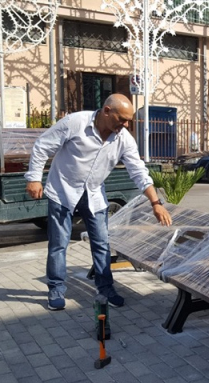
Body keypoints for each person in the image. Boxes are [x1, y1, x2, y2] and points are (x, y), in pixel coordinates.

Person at [25, 94, 172, 311]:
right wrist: (34, 178)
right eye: (122, 119)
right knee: (58, 244)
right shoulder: (75, 123)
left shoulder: (124, 139)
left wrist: (155, 203)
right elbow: (42, 146)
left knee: (102, 244)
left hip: (94, 193)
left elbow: (139, 172)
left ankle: (106, 289)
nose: (126, 125)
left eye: (129, 121)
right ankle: (56, 289)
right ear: (107, 111)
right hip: (63, 190)